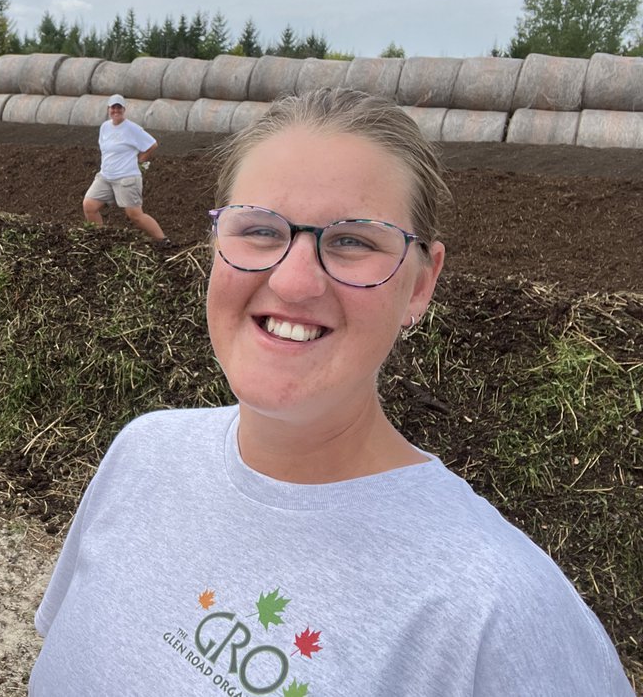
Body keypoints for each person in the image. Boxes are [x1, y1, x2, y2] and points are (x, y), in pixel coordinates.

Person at [32, 88, 633, 695]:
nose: (294, 282)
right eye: (259, 229)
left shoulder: (499, 614)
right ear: (215, 246)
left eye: (352, 241)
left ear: (420, 284)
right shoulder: (143, 454)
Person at [82, 94, 170, 247]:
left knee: (135, 215)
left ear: (124, 109)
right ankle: (100, 240)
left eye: (119, 108)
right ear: (108, 109)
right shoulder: (105, 127)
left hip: (126, 178)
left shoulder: (132, 129)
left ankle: (163, 240)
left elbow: (152, 144)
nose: (116, 111)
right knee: (89, 205)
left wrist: (139, 161)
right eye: (113, 107)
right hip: (105, 177)